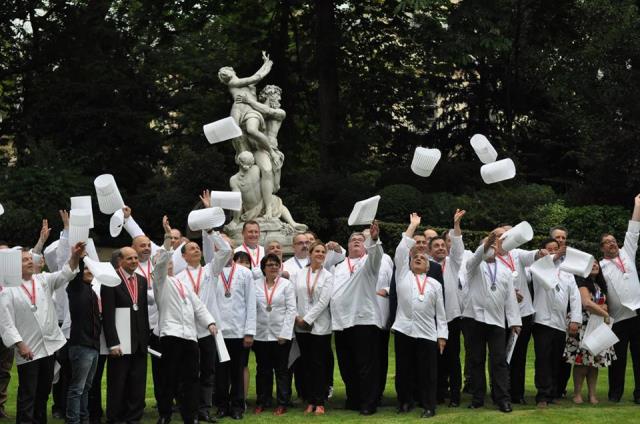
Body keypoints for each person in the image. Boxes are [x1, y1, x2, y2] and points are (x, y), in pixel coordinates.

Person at [0, 241, 83, 423]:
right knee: (28, 394)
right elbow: (5, 322)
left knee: (43, 394)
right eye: (24, 260)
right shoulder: (7, 290)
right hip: (28, 349)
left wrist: (75, 256)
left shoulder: (43, 279)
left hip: (50, 346)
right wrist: (20, 345)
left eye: (30, 259)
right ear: (14, 265)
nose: (30, 262)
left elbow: (65, 274)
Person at [153, 216, 219, 424]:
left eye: (172, 262)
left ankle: (190, 416)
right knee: (169, 378)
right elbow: (162, 262)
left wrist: (209, 322)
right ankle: (165, 414)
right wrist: (167, 237)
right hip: (171, 335)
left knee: (191, 379)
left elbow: (198, 305)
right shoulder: (160, 282)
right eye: (166, 263)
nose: (170, 264)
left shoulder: (183, 284)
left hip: (190, 336)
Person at [179, 191, 234, 423]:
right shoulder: (179, 277)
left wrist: (210, 229)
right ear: (183, 256)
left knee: (209, 372)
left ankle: (204, 409)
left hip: (209, 329)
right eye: (191, 249)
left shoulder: (210, 270)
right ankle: (191, 410)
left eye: (197, 248)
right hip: (189, 330)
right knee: (190, 373)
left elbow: (227, 251)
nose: (196, 250)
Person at [392, 213, 448, 418]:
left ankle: (429, 406)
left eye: (423, 258)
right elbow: (401, 250)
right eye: (416, 257)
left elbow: (440, 313)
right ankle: (404, 402)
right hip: (404, 329)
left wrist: (442, 335)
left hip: (427, 332)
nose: (419, 258)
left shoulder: (434, 284)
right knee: (404, 369)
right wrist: (412, 226)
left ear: (428, 266)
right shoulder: (402, 275)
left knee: (428, 373)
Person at [463, 229, 521, 412]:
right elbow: (477, 257)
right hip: (474, 319)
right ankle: (478, 398)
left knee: (499, 360)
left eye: (494, 246)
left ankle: (502, 399)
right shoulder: (473, 265)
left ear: (497, 250)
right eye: (487, 245)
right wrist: (486, 243)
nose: (490, 248)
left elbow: (510, 298)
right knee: (476, 360)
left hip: (496, 321)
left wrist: (514, 321)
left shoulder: (505, 270)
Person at [330, 221, 383, 415]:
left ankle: (369, 402)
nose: (356, 242)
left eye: (360, 240)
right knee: (347, 364)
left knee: (365, 364)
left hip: (363, 319)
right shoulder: (338, 267)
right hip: (341, 321)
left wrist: (375, 239)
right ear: (348, 245)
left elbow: (377, 255)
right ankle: (353, 398)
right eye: (353, 240)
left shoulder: (368, 263)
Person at [101, 246, 151, 423]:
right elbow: (107, 315)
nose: (134, 262)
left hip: (139, 342)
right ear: (120, 261)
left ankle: (134, 418)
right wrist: (113, 343)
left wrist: (146, 340)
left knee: (138, 383)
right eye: (130, 259)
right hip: (121, 342)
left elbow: (143, 311)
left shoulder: (142, 280)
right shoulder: (111, 280)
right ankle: (115, 418)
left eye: (136, 258)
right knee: (118, 382)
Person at [531, 238, 581, 408]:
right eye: (549, 249)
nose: (553, 251)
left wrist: (575, 319)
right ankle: (542, 396)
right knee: (543, 359)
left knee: (555, 360)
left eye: (556, 248)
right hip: (542, 321)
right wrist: (556, 255)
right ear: (544, 251)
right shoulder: (539, 267)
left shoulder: (567, 271)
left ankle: (553, 393)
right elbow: (542, 269)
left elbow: (575, 296)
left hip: (560, 323)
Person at [600, 194, 640, 403]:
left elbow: (633, 230)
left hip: (637, 314)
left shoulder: (627, 253)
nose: (612, 244)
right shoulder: (599, 266)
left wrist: (637, 205)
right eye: (607, 243)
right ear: (602, 248)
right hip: (617, 318)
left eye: (614, 241)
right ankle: (615, 394)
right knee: (618, 359)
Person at [214, 240, 256, 420]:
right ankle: (222, 406)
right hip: (218, 332)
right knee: (220, 372)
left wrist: (249, 332)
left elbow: (251, 303)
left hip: (239, 331)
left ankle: (238, 406)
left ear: (232, 251)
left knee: (238, 371)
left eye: (228, 249)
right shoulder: (211, 271)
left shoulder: (245, 273)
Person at [564, 261, 616, 405]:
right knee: (581, 362)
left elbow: (603, 304)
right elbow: (586, 303)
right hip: (584, 325)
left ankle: (592, 395)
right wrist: (604, 313)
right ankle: (577, 394)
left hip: (598, 326)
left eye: (596, 264)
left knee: (594, 363)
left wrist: (602, 309)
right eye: (591, 264)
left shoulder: (600, 285)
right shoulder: (581, 284)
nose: (594, 266)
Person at [428, 210, 466, 407]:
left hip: (451, 317)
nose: (441, 248)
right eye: (436, 246)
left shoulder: (453, 263)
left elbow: (458, 247)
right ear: (430, 250)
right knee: (435, 359)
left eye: (443, 245)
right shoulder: (425, 266)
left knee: (452, 359)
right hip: (431, 319)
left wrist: (456, 225)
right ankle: (437, 393)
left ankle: (455, 396)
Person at [293, 241, 333, 416]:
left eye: (322, 252)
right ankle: (310, 400)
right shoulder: (298, 274)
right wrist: (297, 317)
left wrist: (308, 319)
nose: (320, 254)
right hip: (301, 326)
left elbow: (324, 301)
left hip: (320, 326)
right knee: (307, 364)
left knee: (319, 364)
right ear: (310, 253)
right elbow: (292, 297)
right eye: (316, 251)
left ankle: (320, 401)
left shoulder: (328, 276)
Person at [253, 254, 296, 415]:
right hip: (261, 334)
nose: (273, 267)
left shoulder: (286, 285)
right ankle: (263, 401)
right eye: (269, 265)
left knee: (282, 371)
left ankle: (282, 402)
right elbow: (252, 309)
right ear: (263, 268)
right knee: (263, 370)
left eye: (276, 264)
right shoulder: (255, 284)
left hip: (281, 336)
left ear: (280, 267)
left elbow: (291, 310)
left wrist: (285, 333)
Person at [65, 248, 101, 424]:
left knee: (86, 388)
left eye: (91, 270)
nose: (89, 272)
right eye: (86, 269)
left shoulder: (92, 291)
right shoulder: (76, 287)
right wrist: (80, 256)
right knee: (77, 389)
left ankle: (83, 419)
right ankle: (73, 421)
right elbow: (74, 270)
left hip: (93, 346)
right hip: (80, 345)